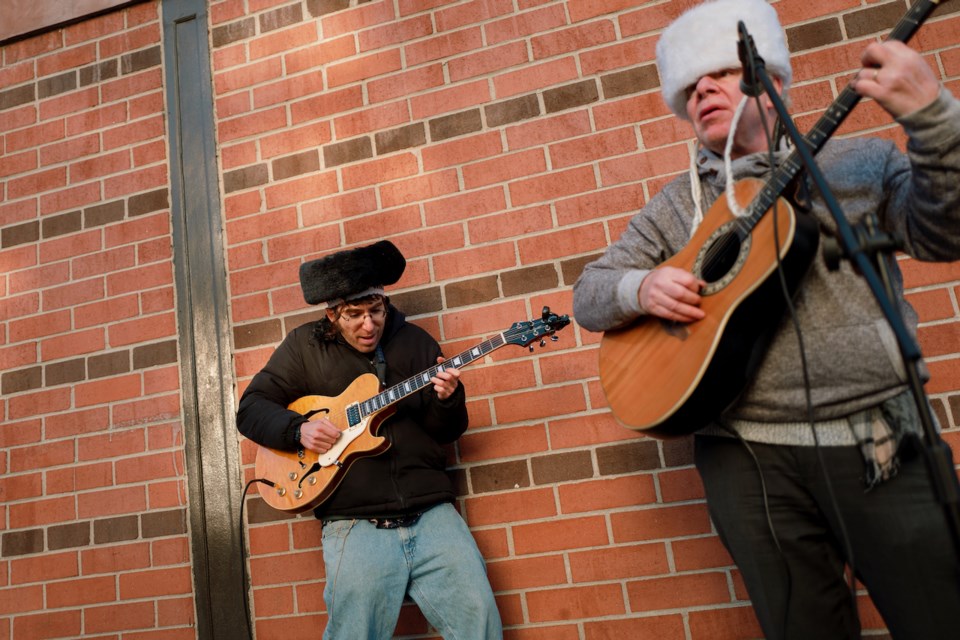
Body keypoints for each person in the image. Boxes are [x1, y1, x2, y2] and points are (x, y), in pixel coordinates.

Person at [573, 0, 960, 637]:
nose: (702, 90)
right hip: (746, 460)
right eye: (690, 87)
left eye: (720, 74)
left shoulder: (857, 164)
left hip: (877, 443)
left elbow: (945, 233)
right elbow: (590, 294)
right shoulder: (677, 205)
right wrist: (640, 288)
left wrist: (934, 121)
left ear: (771, 81)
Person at [237, 240, 502, 639]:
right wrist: (298, 429)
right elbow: (251, 408)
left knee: (479, 621)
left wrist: (448, 399)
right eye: (354, 315)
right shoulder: (304, 348)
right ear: (331, 315)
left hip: (432, 514)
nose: (368, 325)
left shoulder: (415, 342)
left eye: (375, 311)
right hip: (354, 523)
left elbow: (445, 431)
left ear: (385, 303)